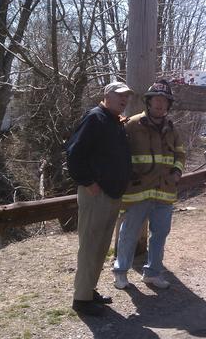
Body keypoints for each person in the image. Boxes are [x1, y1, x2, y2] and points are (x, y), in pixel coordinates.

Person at [65, 81, 133, 316]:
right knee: (90, 246)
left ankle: (89, 290)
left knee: (100, 247)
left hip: (112, 194)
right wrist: (88, 182)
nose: (124, 100)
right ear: (107, 95)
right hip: (96, 193)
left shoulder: (114, 122)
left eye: (127, 97)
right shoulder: (95, 118)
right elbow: (74, 153)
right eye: (120, 95)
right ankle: (81, 300)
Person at [112, 79, 186, 290]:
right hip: (138, 190)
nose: (160, 104)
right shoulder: (132, 125)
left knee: (160, 234)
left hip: (165, 191)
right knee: (129, 232)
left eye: (164, 100)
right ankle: (120, 272)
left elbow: (180, 153)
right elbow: (119, 153)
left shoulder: (172, 129)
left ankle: (152, 273)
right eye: (156, 100)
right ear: (149, 102)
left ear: (168, 105)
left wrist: (177, 172)